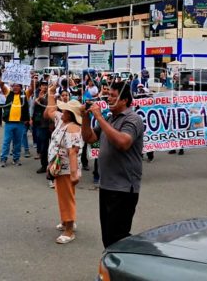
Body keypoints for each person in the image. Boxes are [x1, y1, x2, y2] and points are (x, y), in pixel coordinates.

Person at [80, 81, 145, 248]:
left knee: (118, 237)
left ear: (124, 100)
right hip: (107, 185)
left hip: (124, 188)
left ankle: (131, 266)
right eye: (108, 95)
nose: (108, 99)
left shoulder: (133, 119)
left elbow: (123, 143)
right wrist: (86, 117)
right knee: (108, 236)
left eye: (113, 96)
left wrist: (100, 117)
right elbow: (90, 138)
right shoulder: (110, 119)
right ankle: (112, 270)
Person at [44, 86, 83, 244]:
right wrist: (51, 93)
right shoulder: (62, 121)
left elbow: (73, 152)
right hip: (60, 167)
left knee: (66, 197)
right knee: (64, 195)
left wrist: (74, 174)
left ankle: (69, 230)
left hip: (66, 168)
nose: (62, 110)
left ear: (71, 114)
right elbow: (50, 111)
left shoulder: (72, 127)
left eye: (65, 110)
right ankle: (67, 221)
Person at [0, 81, 31, 167]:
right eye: (14, 86)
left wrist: (31, 79)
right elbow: (1, 85)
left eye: (17, 86)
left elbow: (32, 89)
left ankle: (16, 158)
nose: (15, 88)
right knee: (6, 141)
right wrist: (4, 77)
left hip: (20, 123)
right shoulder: (8, 92)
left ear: (21, 87)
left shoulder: (25, 94)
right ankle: (3, 159)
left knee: (18, 142)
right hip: (9, 123)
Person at [33, 81, 51, 174]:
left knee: (54, 147)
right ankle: (44, 165)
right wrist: (39, 99)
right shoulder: (37, 96)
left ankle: (53, 165)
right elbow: (35, 106)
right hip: (42, 125)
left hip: (52, 125)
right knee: (43, 147)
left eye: (46, 85)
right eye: (43, 85)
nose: (44, 87)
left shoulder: (51, 96)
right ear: (40, 87)